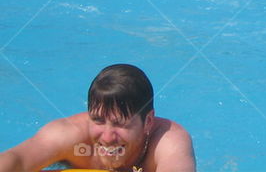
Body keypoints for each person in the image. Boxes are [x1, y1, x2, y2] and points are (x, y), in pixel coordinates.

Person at [0, 64, 195, 172]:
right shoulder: (69, 136)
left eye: (121, 124)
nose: (107, 137)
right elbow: (16, 160)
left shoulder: (168, 141)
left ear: (148, 122)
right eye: (98, 120)